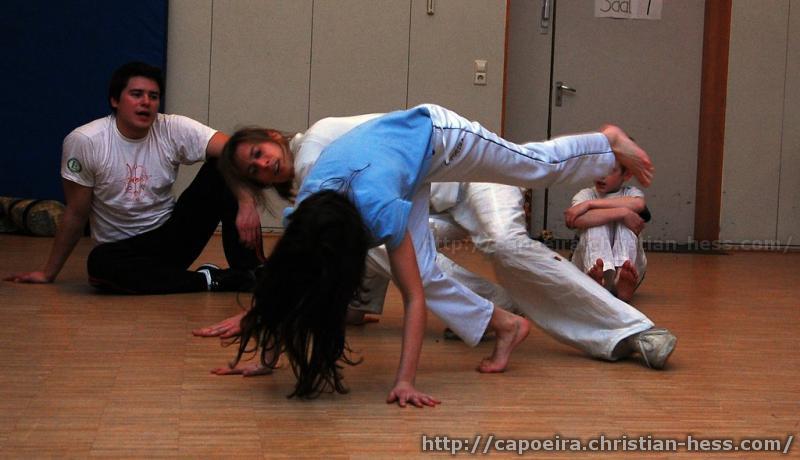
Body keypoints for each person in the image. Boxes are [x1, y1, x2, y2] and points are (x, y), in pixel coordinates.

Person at [197, 104, 658, 407]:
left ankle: (606, 142)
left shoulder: (377, 209)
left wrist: (405, 380)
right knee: (423, 269)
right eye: (252, 170)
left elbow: (412, 298)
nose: (263, 166)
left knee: (529, 165)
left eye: (258, 154)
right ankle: (506, 325)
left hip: (436, 135)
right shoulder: (306, 212)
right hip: (403, 168)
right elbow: (290, 278)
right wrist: (266, 354)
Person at [352, 180, 675, 370]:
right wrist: (354, 307)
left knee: (507, 247)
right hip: (427, 204)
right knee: (374, 242)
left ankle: (632, 330)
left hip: (478, 181)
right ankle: (495, 307)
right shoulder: (338, 188)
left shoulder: (328, 167)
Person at [4, 62, 261, 294]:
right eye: (136, 94)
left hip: (171, 237)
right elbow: (76, 212)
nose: (146, 102)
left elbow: (238, 151)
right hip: (122, 251)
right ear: (115, 100)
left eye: (153, 96)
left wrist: (247, 202)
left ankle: (252, 272)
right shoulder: (85, 141)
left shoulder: (173, 128)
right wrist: (48, 273)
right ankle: (212, 280)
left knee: (223, 165)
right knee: (99, 266)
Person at [565, 161, 649, 302]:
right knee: (595, 223)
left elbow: (638, 204)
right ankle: (597, 276)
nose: (601, 175)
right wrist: (623, 213)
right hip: (588, 268)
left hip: (629, 271)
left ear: (626, 174)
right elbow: (575, 220)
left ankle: (622, 278)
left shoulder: (631, 193)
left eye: (610, 170)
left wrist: (589, 205)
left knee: (626, 225)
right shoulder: (585, 194)